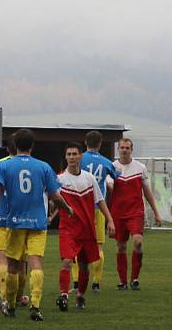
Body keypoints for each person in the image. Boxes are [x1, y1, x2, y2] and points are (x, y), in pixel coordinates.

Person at [0, 129, 73, 321]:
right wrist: (66, 207)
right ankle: (35, 305)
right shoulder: (43, 167)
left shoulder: (5, 167)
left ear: (15, 146)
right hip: (38, 223)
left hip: (14, 222)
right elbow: (54, 195)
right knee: (35, 263)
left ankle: (10, 306)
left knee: (13, 266)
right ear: (32, 146)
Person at [53, 142, 116, 312]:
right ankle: (64, 296)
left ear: (81, 156)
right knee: (67, 261)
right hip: (68, 229)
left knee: (83, 266)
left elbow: (100, 200)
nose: (72, 157)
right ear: (65, 157)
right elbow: (53, 199)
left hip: (87, 228)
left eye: (75, 154)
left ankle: (80, 295)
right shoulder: (59, 179)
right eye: (69, 154)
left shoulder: (89, 178)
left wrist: (110, 220)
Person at [110, 137, 163, 290]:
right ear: (118, 149)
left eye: (127, 148)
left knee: (138, 242)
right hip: (118, 212)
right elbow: (108, 186)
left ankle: (134, 279)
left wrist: (156, 213)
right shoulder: (112, 167)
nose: (125, 150)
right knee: (121, 246)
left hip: (136, 211)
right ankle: (123, 282)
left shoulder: (140, 167)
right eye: (122, 147)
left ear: (131, 150)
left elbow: (147, 192)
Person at [0, 139, 27, 312]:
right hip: (24, 219)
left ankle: (4, 299)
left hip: (2, 218)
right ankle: (18, 297)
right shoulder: (30, 164)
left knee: (3, 259)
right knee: (21, 261)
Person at [77, 130, 119, 292]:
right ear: (100, 143)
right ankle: (96, 282)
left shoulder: (80, 159)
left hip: (81, 206)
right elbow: (117, 178)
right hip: (98, 207)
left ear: (85, 142)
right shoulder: (107, 162)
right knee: (99, 245)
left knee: (77, 245)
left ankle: (76, 282)